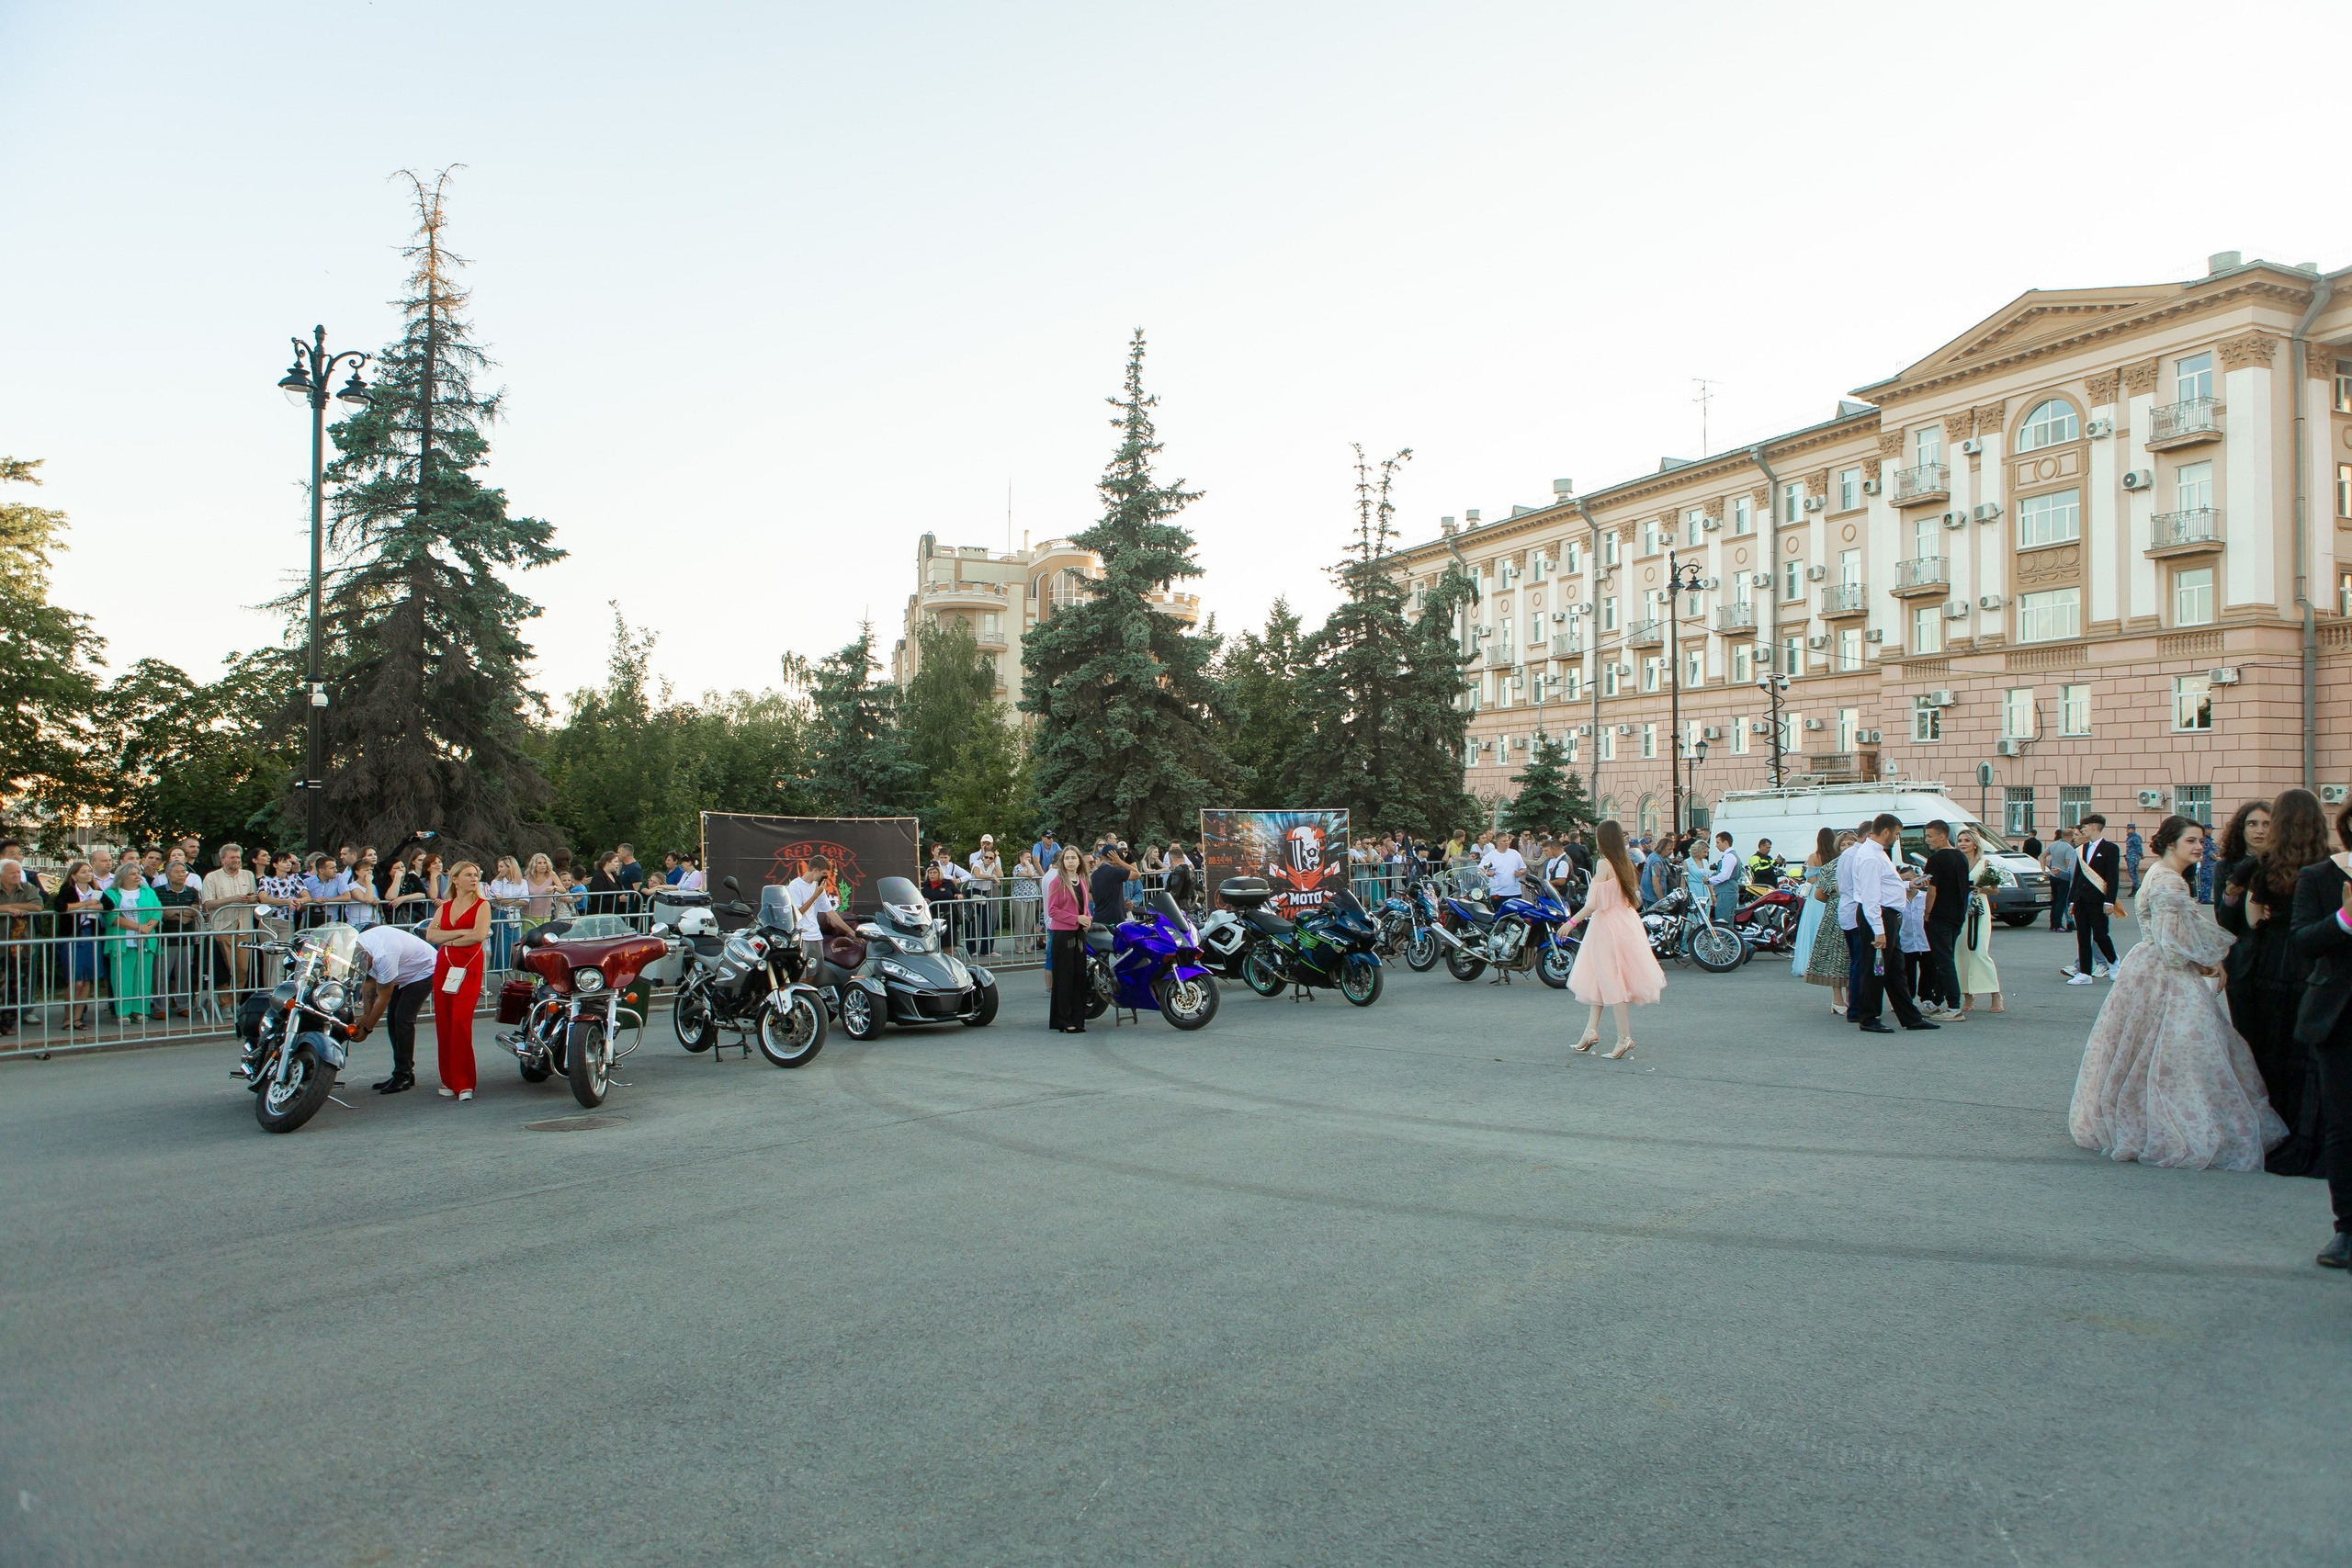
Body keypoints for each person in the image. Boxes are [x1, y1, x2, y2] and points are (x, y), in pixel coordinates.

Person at [2069, 816, 2283, 1171]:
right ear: (2171, 844)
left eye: (2201, 841)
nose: (2199, 847)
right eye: (2191, 841)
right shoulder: (2169, 880)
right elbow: (2171, 942)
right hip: (2165, 973)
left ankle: (2149, 1118)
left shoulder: (2160, 872)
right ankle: (2177, 1127)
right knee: (2183, 1052)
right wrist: (2207, 962)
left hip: (2147, 967)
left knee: (2148, 1051)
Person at [2218, 790, 2328, 1172]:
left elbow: (2250, 921)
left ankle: (2277, 1130)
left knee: (2272, 1048)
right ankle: (2311, 1130)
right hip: (2314, 963)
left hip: (2272, 964)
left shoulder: (2262, 865)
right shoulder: (2328, 863)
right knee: (2309, 1052)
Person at [2289, 797, 2352, 1266]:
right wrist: (2345, 920)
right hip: (2340, 1018)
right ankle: (2347, 1229)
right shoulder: (2321, 876)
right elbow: (2303, 941)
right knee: (2344, 1125)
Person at [1556, 820, 1665, 1060]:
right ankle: (1590, 1031)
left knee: (1610, 978)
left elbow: (1594, 903)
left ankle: (1624, 1038)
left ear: (1603, 839)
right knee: (1601, 976)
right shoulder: (1625, 862)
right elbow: (1634, 899)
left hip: (1607, 925)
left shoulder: (1604, 864)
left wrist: (1570, 922)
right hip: (1624, 921)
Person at [1844, 814, 1936, 1034]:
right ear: (1885, 831)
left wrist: (1907, 884)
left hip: (1886, 916)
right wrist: (1879, 930)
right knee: (1875, 969)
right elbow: (1870, 896)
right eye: (1896, 834)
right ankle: (1868, 1018)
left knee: (1895, 970)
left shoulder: (1877, 853)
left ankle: (1910, 1017)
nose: (1896, 838)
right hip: (1878, 916)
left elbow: (1884, 885)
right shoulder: (1870, 857)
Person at [344, 920, 439, 1095]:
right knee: (392, 1020)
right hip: (403, 970)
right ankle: (404, 1071)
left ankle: (403, 1075)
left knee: (403, 1019)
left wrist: (366, 1030)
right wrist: (366, 1014)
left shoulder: (383, 955)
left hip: (425, 970)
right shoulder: (361, 948)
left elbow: (383, 998)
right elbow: (369, 982)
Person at [424, 861, 492, 1100]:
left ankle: (464, 1082)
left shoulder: (482, 905)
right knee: (444, 1022)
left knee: (461, 1021)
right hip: (445, 965)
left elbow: (478, 935)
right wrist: (459, 933)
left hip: (469, 964)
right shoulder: (445, 907)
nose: (474, 879)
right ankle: (448, 1079)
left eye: (476, 875)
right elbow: (431, 934)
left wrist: (448, 940)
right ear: (455, 879)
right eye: (468, 875)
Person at [2061, 815, 2123, 984]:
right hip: (2081, 899)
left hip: (2098, 900)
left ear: (2094, 827)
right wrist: (2072, 901)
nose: (2082, 830)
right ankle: (2085, 973)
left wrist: (2110, 901)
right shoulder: (2082, 849)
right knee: (2082, 936)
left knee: (2100, 935)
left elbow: (2113, 877)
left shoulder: (2110, 848)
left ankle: (2113, 962)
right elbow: (2077, 876)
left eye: (2085, 826)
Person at [1918, 820, 1970, 1023]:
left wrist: (1927, 913)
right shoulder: (1961, 856)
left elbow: (1932, 890)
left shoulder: (1935, 859)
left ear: (1942, 836)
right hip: (1957, 914)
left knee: (1944, 961)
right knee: (1944, 959)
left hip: (1940, 915)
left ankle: (1954, 1006)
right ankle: (1937, 1001)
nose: (1927, 840)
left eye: (1930, 836)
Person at [200, 843, 259, 1010]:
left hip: (244, 926)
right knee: (225, 969)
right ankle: (224, 1003)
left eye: (238, 857)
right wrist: (232, 899)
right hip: (223, 927)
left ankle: (236, 1002)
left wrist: (251, 899)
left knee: (242, 968)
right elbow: (208, 903)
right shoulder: (212, 877)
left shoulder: (248, 875)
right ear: (223, 860)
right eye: (232, 857)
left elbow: (255, 897)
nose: (236, 860)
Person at [1953, 828, 2004, 1016]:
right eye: (1960, 841)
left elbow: (1995, 890)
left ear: (1975, 843)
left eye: (1967, 840)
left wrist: (1979, 889)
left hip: (1978, 910)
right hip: (1960, 910)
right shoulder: (1957, 862)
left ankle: (1995, 993)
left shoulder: (1985, 863)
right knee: (1961, 952)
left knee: (1979, 951)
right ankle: (1968, 994)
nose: (1963, 844)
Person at [101, 862, 162, 1020]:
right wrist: (138, 927)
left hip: (146, 941)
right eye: (133, 874)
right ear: (123, 876)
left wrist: (148, 927)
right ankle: (123, 1012)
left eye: (138, 873)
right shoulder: (111, 893)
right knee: (122, 977)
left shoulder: (148, 892)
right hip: (122, 942)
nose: (138, 876)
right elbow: (111, 916)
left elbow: (157, 910)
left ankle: (139, 1010)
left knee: (144, 976)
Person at [1806, 834, 1857, 1012]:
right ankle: (1837, 1000)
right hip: (1836, 915)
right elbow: (1819, 894)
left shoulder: (1861, 862)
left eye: (1850, 843)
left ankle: (1851, 998)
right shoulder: (1831, 866)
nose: (1847, 846)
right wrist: (1836, 900)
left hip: (1857, 913)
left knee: (1852, 957)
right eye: (1843, 844)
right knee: (1836, 958)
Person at [1046, 846, 1093, 1033]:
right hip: (1063, 934)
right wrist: (1076, 919)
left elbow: (1085, 908)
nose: (1070, 861)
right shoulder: (1057, 882)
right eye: (1067, 858)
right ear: (1062, 862)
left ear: (1079, 860)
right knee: (1065, 977)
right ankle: (1064, 1020)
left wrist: (1088, 919)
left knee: (1079, 976)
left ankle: (1077, 1018)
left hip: (1079, 934)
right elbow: (1052, 910)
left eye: (1074, 858)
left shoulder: (1082, 881)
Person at [0, 855, 45, 1036]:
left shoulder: (27, 887)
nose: (16, 875)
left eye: (18, 872)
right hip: (1, 944)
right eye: (12, 873)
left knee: (16, 986)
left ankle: (8, 1023)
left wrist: (11, 906)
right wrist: (7, 909)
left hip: (20, 946)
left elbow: (38, 906)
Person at [1789, 828, 1835, 979]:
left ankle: (1810, 964)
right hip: (1832, 893)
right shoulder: (1837, 856)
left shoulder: (1814, 856)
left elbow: (1812, 879)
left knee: (1813, 927)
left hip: (1817, 894)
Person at [784, 857, 835, 987]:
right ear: (815, 870)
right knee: (800, 976)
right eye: (824, 873)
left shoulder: (818, 888)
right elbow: (798, 912)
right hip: (802, 936)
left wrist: (851, 931)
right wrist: (815, 895)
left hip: (815, 936)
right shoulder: (795, 886)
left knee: (811, 977)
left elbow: (830, 912)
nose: (825, 877)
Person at [485, 856, 530, 971]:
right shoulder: (496, 882)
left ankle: (517, 972)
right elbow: (497, 900)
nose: (499, 869)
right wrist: (514, 900)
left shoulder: (522, 882)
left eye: (501, 866)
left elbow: (525, 900)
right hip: (500, 914)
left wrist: (507, 901)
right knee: (501, 947)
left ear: (509, 867)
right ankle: (502, 975)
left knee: (517, 945)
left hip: (515, 915)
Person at [967, 836, 1002, 956]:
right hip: (973, 891)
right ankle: (971, 950)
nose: (988, 859)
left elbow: (1001, 875)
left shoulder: (993, 864)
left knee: (987, 921)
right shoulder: (977, 862)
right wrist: (992, 877)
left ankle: (987, 950)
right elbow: (977, 874)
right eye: (986, 857)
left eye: (991, 858)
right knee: (971, 920)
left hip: (984, 893)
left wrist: (995, 863)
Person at [1090, 840, 1133, 925]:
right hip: (1115, 918)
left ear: (1102, 856)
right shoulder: (1115, 872)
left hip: (1099, 918)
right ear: (1114, 857)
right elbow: (1137, 874)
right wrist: (1120, 862)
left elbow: (1091, 897)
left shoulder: (1094, 874)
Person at [2043, 828, 2076, 931]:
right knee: (2061, 902)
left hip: (2053, 876)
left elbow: (2042, 855)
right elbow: (2069, 864)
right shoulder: (2069, 848)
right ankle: (2058, 925)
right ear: (2071, 837)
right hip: (2063, 877)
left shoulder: (2054, 845)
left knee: (2055, 900)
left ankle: (2053, 924)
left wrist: (2044, 869)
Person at [1706, 831, 1741, 924]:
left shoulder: (1729, 856)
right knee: (1728, 921)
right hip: (1730, 890)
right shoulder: (1732, 855)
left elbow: (1724, 875)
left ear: (1725, 842)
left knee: (1722, 920)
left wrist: (1710, 880)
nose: (1716, 845)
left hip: (1726, 891)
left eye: (1718, 842)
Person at [1481, 832, 1528, 902]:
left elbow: (1524, 868)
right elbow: (1480, 869)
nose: (1507, 843)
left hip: (1515, 892)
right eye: (1504, 841)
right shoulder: (1490, 856)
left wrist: (1520, 872)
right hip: (1497, 893)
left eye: (1507, 840)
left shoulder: (1515, 853)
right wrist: (1488, 874)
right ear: (1497, 842)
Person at [2123, 822, 2145, 894]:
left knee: (2132, 872)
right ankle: (2136, 886)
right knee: (2132, 872)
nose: (2127, 830)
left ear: (2133, 829)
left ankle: (2136, 887)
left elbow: (2139, 848)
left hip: (2134, 857)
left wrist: (2141, 855)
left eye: (2128, 829)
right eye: (2127, 828)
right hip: (2130, 856)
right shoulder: (2130, 837)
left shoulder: (2135, 837)